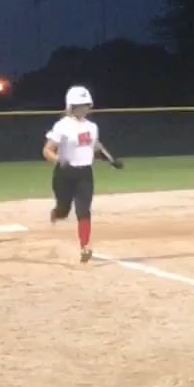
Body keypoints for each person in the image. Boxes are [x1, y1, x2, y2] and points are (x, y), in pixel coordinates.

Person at [43, 86, 124, 264]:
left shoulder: (92, 127)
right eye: (80, 105)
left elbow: (96, 146)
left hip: (85, 174)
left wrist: (111, 160)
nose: (84, 108)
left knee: (83, 210)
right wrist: (59, 160)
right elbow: (47, 150)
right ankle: (57, 212)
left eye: (86, 105)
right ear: (71, 106)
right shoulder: (62, 126)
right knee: (64, 211)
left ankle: (85, 246)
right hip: (64, 174)